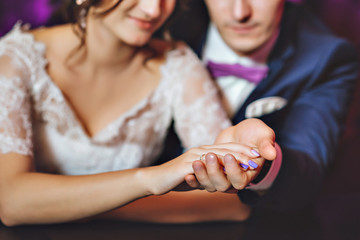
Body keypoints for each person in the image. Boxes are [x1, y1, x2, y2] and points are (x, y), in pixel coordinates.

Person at [0, 0, 276, 226]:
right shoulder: (16, 59)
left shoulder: (178, 65)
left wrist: (62, 205)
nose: (153, 9)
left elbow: (230, 203)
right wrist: (150, 179)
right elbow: (12, 202)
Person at [183, 0, 358, 215]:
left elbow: (307, 170)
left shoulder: (326, 57)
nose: (240, 13)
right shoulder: (164, 27)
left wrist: (262, 166)